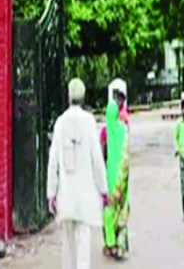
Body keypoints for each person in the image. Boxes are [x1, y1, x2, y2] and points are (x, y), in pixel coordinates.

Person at [47, 79, 109, 269]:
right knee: (83, 247)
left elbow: (53, 161)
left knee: (68, 248)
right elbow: (97, 159)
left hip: (66, 195)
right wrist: (104, 190)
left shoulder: (60, 123)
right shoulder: (89, 122)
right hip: (85, 197)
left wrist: (51, 193)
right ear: (83, 97)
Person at [103, 79, 130, 259]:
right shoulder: (124, 129)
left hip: (112, 177)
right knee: (122, 210)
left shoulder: (107, 131)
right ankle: (121, 245)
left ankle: (111, 243)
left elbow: (103, 150)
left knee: (109, 212)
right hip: (124, 176)